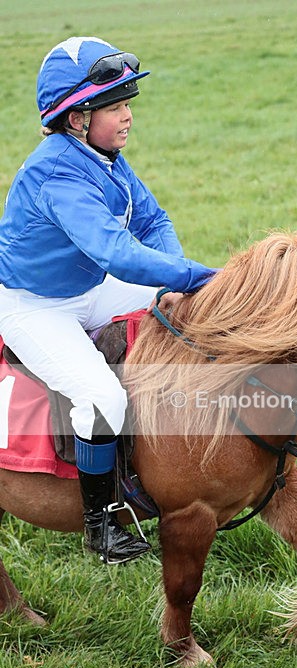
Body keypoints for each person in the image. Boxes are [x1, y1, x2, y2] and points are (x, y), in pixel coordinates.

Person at [0, 37, 217, 564]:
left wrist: (180, 284)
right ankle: (100, 525)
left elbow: (153, 221)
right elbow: (117, 252)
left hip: (88, 288)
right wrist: (198, 275)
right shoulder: (56, 172)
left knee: (187, 312)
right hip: (35, 307)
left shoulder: (108, 159)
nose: (127, 117)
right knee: (103, 398)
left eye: (127, 104)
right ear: (76, 119)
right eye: (114, 107)